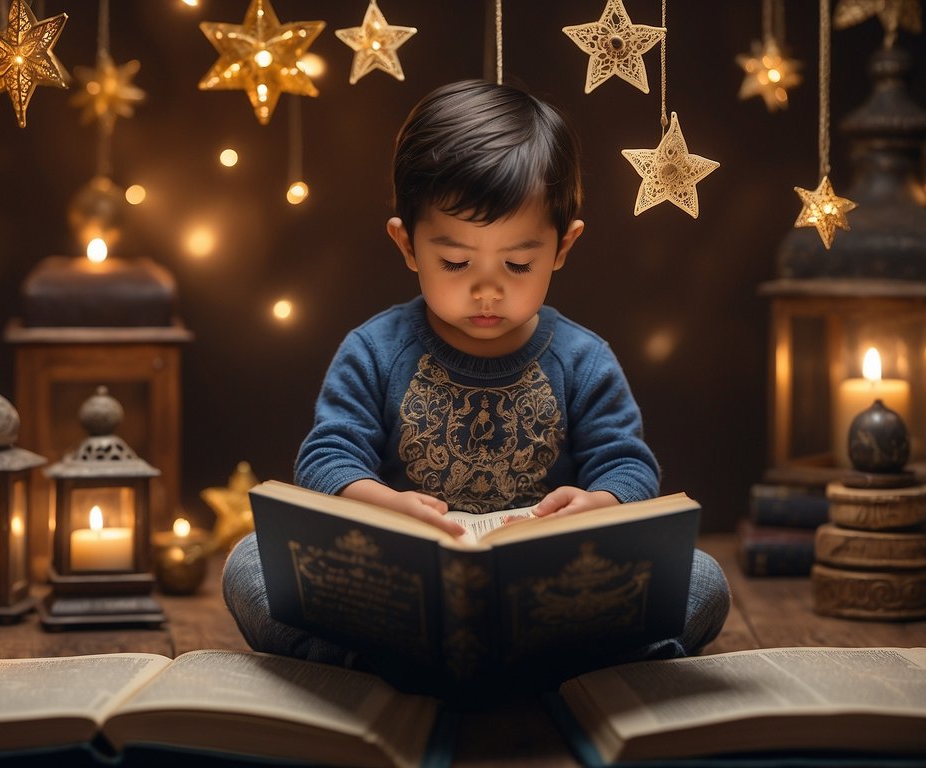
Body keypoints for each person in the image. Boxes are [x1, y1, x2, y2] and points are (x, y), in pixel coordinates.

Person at [222, 78, 729, 682]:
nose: (487, 290)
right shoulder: (373, 350)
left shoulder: (583, 358)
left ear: (564, 247)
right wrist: (387, 508)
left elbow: (629, 467)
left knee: (703, 579)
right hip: (398, 600)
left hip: (548, 600)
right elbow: (327, 459)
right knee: (248, 563)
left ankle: (443, 675)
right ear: (406, 243)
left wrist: (598, 505)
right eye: (456, 262)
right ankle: (395, 668)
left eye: (518, 264)